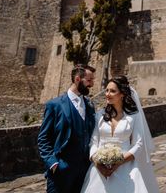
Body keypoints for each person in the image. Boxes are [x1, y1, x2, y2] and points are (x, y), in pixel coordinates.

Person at [80, 76, 158, 193]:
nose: (107, 94)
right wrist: (98, 163)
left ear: (122, 94)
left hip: (126, 168)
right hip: (99, 169)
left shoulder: (133, 116)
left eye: (112, 91)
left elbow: (138, 144)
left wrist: (118, 162)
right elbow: (93, 142)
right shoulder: (100, 115)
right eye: (106, 90)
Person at [38, 64, 97, 193]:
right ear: (77, 79)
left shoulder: (90, 105)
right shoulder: (55, 105)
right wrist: (53, 163)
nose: (92, 84)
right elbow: (43, 138)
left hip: (84, 171)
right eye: (89, 80)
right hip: (61, 170)